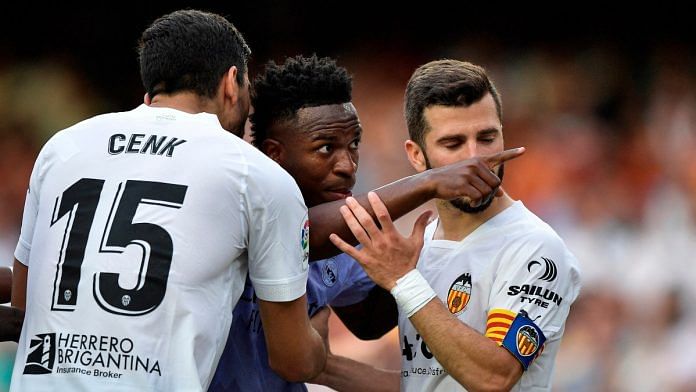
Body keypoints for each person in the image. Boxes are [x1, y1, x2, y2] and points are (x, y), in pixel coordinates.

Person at [9, 10, 326, 391]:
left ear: (150, 93)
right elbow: (293, 361)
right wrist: (320, 342)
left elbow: (23, 304)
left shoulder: (61, 147)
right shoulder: (256, 175)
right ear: (231, 83)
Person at [209, 55, 525, 391]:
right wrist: (431, 182)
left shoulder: (343, 236)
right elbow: (294, 232)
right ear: (274, 154)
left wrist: (411, 271)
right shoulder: (235, 203)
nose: (347, 165)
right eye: (325, 147)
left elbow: (369, 322)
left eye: (354, 144)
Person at [330, 60, 582, 391]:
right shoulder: (422, 244)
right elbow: (425, 383)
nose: (475, 158)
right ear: (417, 155)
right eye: (454, 144)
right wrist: (323, 368)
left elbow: (493, 377)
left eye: (487, 137)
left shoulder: (535, 247)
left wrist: (404, 280)